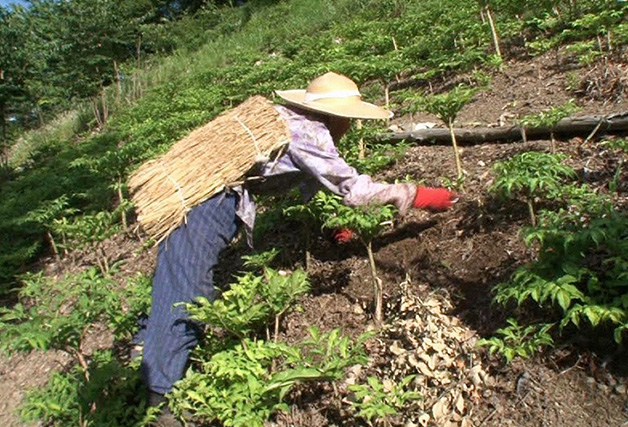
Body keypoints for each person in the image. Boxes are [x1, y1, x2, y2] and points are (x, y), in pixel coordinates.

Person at [135, 72, 457, 425]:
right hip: (205, 203)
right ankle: (161, 402)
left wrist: (340, 230)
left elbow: (315, 184)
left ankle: (142, 348)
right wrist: (420, 195)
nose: (349, 126)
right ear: (337, 116)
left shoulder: (288, 118)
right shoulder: (309, 132)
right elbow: (354, 190)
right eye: (349, 119)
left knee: (177, 278)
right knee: (190, 292)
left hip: (201, 197)